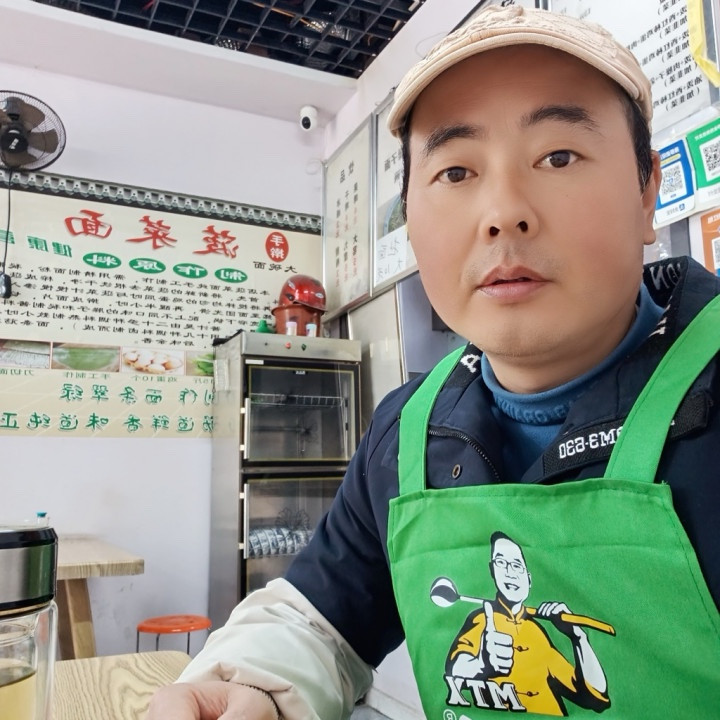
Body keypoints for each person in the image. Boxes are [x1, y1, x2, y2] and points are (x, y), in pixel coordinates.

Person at [148, 5, 720, 719]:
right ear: (411, 222)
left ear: (646, 191)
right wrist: (252, 684)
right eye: (455, 171)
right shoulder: (408, 432)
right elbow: (319, 621)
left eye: (558, 157)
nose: (503, 212)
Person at [446, 532, 609, 715]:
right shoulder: (481, 619)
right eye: (501, 563)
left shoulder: (538, 633)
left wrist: (578, 637)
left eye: (517, 566)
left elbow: (594, 695)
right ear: (492, 571)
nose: (510, 572)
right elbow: (455, 667)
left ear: (529, 580)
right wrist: (480, 664)